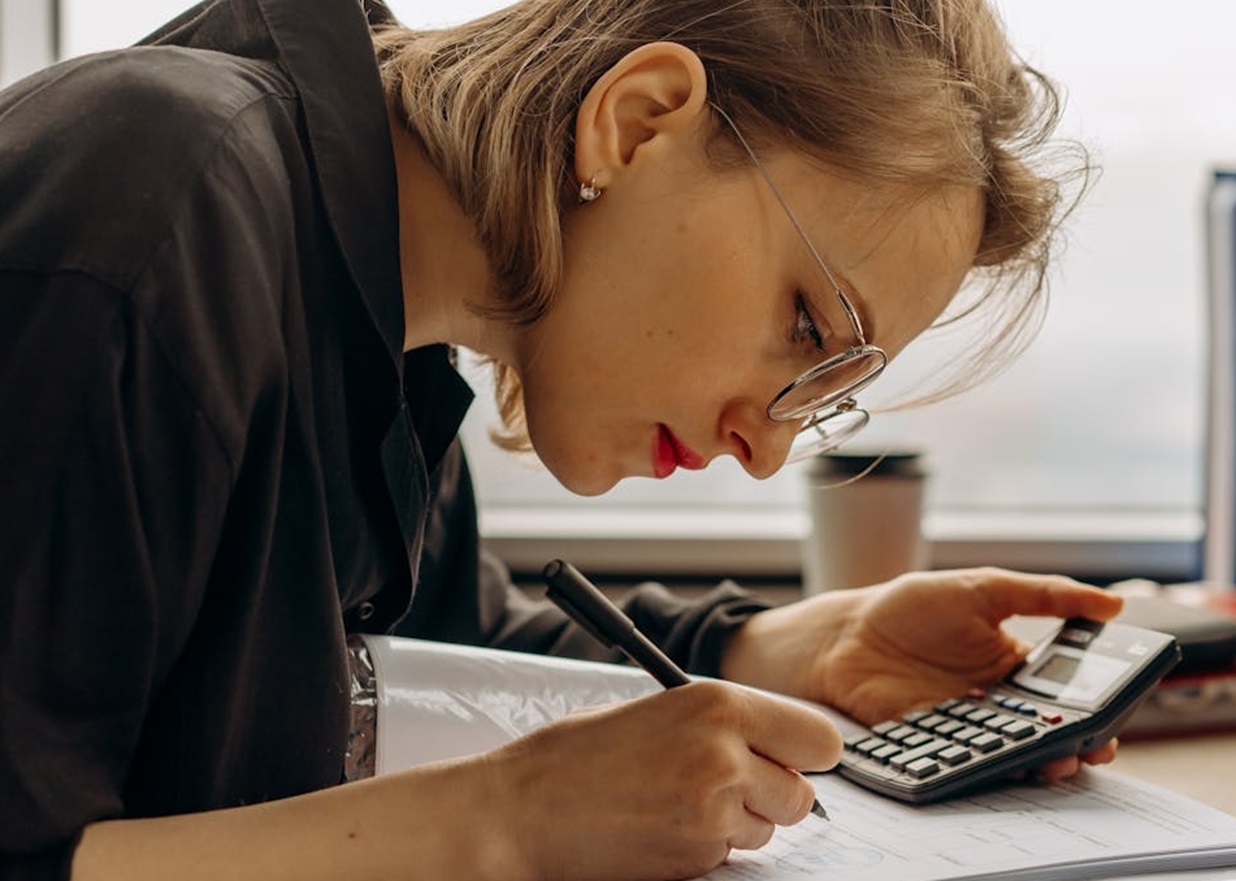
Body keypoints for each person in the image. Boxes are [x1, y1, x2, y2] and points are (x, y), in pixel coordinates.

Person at [0, 0, 1122, 878]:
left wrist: (773, 647)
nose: (769, 446)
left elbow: (434, 640)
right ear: (638, 122)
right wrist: (506, 825)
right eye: (806, 326)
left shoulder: (389, 330)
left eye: (827, 387)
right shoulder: (158, 205)